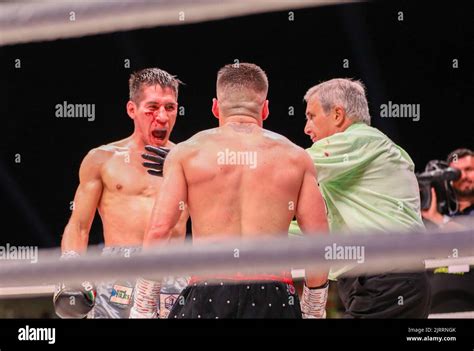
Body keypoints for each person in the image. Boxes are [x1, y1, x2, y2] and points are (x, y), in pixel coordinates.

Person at [132, 63, 329, 319]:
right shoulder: (296, 158)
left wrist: (143, 308)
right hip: (274, 296)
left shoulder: (186, 154)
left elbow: (159, 230)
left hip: (208, 291)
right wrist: (314, 311)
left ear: (215, 107)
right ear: (265, 108)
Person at [290, 78, 431, 318]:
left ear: (337, 114)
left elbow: (285, 167)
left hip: (386, 280)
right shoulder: (358, 163)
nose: (306, 128)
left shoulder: (359, 141)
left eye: (311, 116)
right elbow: (320, 229)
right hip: (384, 283)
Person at [54, 68, 188, 319]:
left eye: (170, 108)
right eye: (152, 107)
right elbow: (80, 225)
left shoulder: (188, 161)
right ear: (131, 110)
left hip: (171, 269)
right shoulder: (102, 159)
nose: (162, 117)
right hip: (118, 272)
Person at [422, 148, 474, 313]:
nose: (463, 176)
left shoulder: (437, 217)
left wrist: (438, 219)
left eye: (469, 170)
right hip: (435, 304)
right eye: (456, 172)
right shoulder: (436, 212)